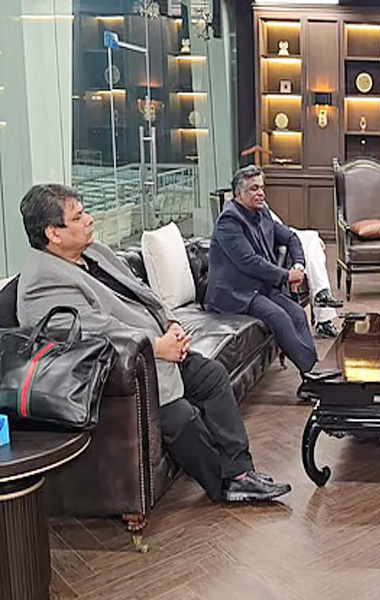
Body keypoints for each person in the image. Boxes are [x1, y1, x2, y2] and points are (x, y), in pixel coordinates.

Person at [16, 184, 290, 503]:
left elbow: (142, 291)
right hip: (129, 375)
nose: (89, 219)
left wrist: (171, 323)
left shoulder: (94, 252)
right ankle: (223, 486)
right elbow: (98, 333)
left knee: (212, 376)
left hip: (160, 351)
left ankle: (241, 473)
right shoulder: (43, 283)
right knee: (182, 419)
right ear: (53, 233)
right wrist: (158, 347)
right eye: (78, 217)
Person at [205, 165, 318, 387]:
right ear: (239, 193)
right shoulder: (229, 221)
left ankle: (313, 373)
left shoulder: (262, 212)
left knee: (297, 313)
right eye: (254, 189)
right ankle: (314, 375)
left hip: (261, 286)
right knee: (279, 317)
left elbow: (291, 238)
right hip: (235, 292)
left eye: (262, 188)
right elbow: (249, 262)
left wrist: (298, 266)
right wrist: (287, 276)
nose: (261, 193)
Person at [266, 205, 343, 338]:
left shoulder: (259, 204)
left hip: (280, 234)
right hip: (275, 243)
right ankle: (323, 316)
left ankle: (322, 297)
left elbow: (281, 229)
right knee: (311, 240)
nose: (261, 194)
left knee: (312, 238)